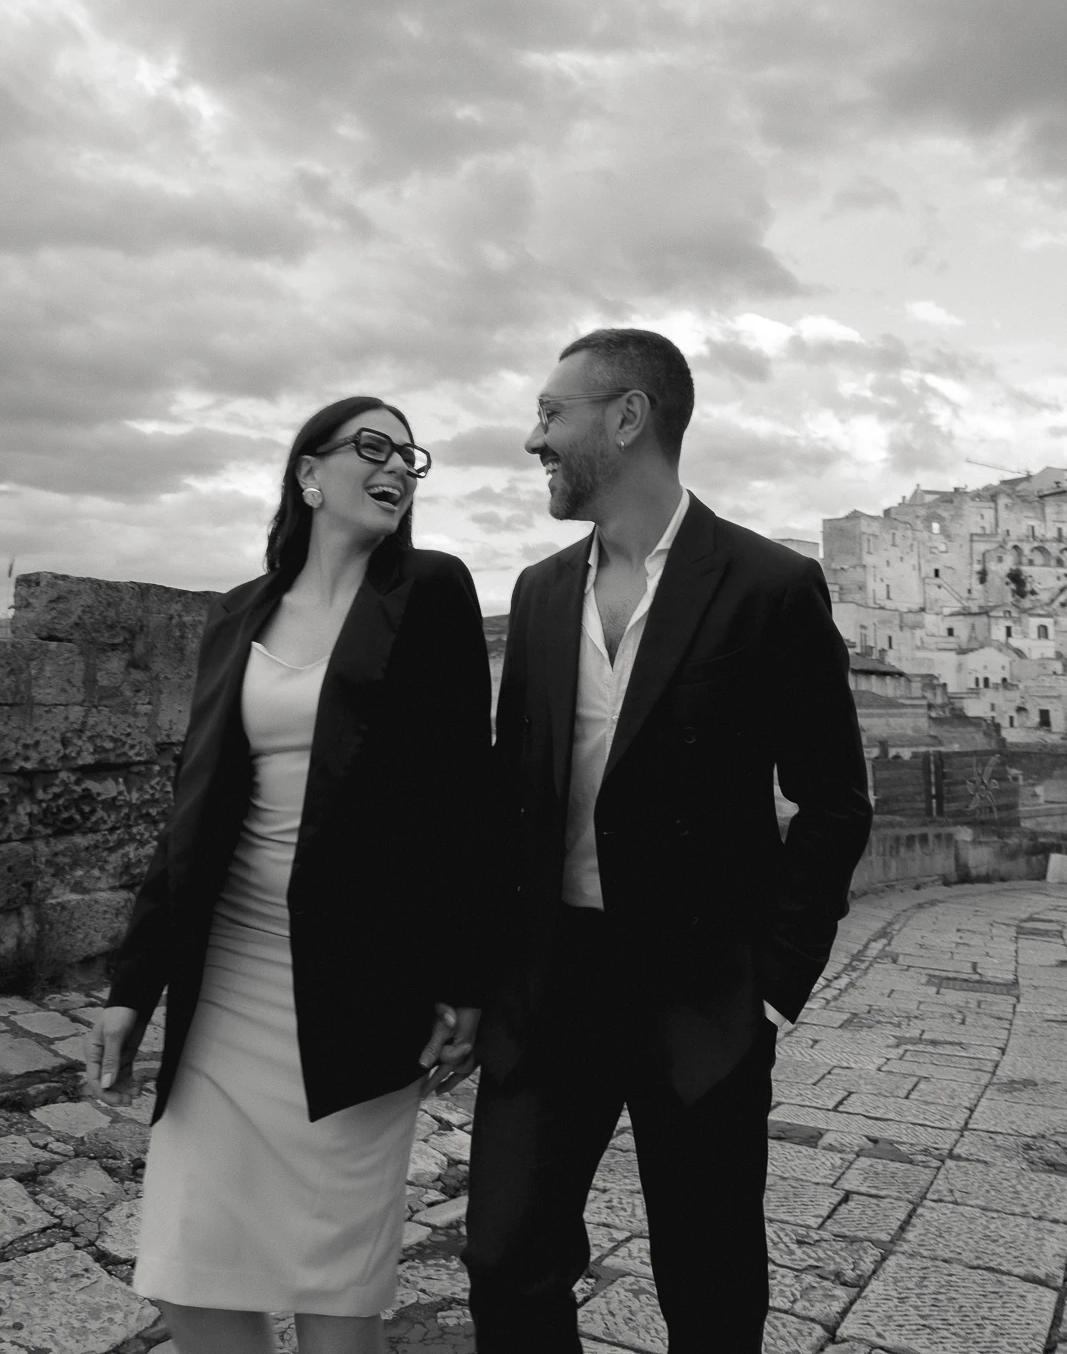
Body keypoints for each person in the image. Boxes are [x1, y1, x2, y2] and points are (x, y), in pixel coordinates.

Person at [464, 328, 872, 1353]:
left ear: (627, 416)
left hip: (700, 996)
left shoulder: (767, 585)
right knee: (504, 1261)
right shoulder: (539, 591)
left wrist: (770, 982)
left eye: (551, 414)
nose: (531, 438)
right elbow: (515, 797)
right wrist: (479, 971)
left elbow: (831, 799)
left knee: (708, 1282)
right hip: (549, 986)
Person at [85, 396, 491, 1354]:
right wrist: (131, 988)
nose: (396, 465)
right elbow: (192, 814)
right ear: (308, 474)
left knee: (334, 1291)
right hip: (228, 975)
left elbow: (465, 799)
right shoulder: (238, 614)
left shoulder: (430, 590)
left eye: (408, 455)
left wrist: (467, 979)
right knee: (189, 1271)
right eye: (371, 446)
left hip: (361, 983)